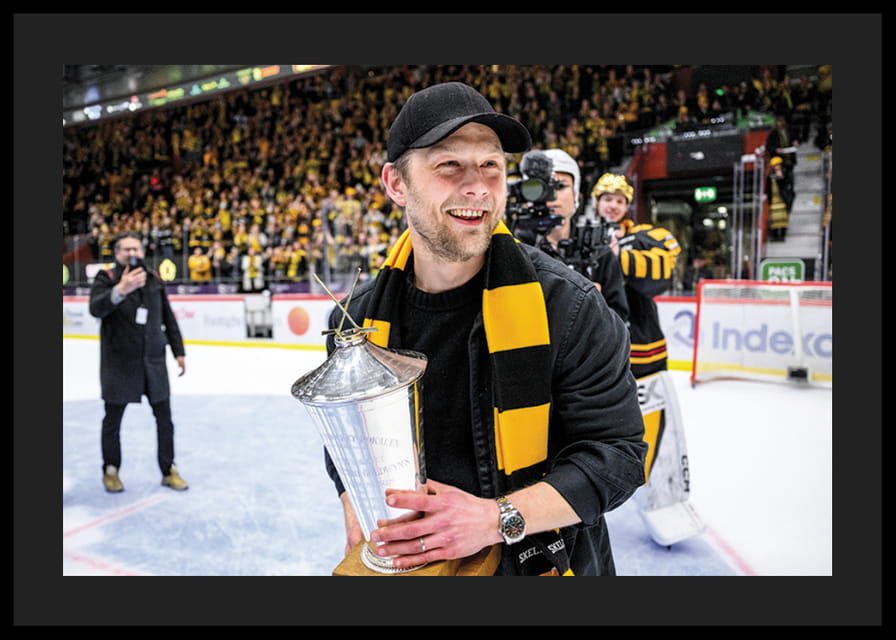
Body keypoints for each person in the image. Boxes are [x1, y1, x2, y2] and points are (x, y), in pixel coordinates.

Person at [324, 82, 646, 576]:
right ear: (396, 184)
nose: (477, 187)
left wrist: (496, 519)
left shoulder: (572, 308)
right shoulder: (353, 326)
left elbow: (618, 457)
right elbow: (344, 441)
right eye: (449, 165)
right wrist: (354, 500)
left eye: (491, 166)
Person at [88, 231, 189, 493]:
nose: (132, 254)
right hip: (119, 365)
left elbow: (168, 317)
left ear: (143, 252)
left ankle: (169, 469)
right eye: (126, 250)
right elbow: (96, 308)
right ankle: (111, 470)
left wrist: (179, 351)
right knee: (113, 421)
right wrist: (121, 290)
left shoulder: (154, 279)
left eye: (136, 249)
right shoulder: (106, 278)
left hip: (153, 363)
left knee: (165, 420)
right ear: (117, 253)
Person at [518, 148, 630, 324]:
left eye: (560, 186)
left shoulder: (599, 249)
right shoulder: (514, 248)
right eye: (544, 186)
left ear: (576, 194)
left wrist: (598, 310)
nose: (552, 195)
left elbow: (620, 320)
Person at [592, 173, 680, 378]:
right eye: (607, 199)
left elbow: (664, 274)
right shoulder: (579, 237)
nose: (613, 205)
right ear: (597, 202)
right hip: (598, 332)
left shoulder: (643, 237)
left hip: (641, 337)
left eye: (619, 201)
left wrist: (621, 257)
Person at [766, 156, 793, 241]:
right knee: (774, 220)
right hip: (774, 200)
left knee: (783, 219)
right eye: (775, 165)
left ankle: (782, 235)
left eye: (778, 164)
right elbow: (767, 188)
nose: (777, 166)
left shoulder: (785, 173)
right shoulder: (770, 176)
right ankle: (775, 236)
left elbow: (787, 185)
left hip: (782, 199)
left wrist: (781, 177)